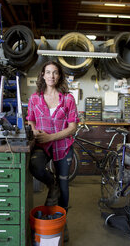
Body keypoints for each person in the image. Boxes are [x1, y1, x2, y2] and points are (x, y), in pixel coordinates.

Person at [26, 60, 78, 241]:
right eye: (48, 72)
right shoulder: (34, 98)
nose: (51, 76)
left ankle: (63, 223)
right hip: (43, 146)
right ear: (42, 75)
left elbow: (72, 128)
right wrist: (33, 130)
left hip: (63, 147)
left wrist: (51, 137)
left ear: (59, 76)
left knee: (64, 185)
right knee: (35, 167)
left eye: (55, 72)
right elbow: (30, 120)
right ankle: (51, 183)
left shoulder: (68, 99)